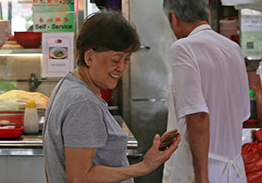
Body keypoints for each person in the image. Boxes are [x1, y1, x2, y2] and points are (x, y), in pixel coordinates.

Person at [43, 10, 180, 183]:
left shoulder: (68, 84)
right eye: (116, 60)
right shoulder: (83, 103)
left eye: (127, 59)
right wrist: (144, 167)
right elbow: (79, 177)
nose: (122, 68)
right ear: (89, 56)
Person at [162, 0, 249, 183]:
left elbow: (198, 114)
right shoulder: (233, 48)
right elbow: (244, 112)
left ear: (173, 18)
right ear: (207, 13)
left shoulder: (183, 48)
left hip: (201, 170)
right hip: (234, 170)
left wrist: (202, 177)